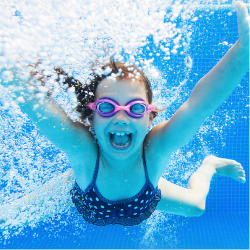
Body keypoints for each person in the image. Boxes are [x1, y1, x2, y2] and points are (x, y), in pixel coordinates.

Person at [0, 1, 247, 228]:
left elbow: (199, 105)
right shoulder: (83, 151)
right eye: (107, 107)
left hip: (143, 196)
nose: (120, 118)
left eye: (136, 108)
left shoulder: (156, 150)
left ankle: (210, 165)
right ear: (91, 118)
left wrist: (244, 52)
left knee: (196, 207)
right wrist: (8, 64)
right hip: (84, 186)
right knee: (9, 217)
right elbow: (35, 105)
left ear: (150, 117)